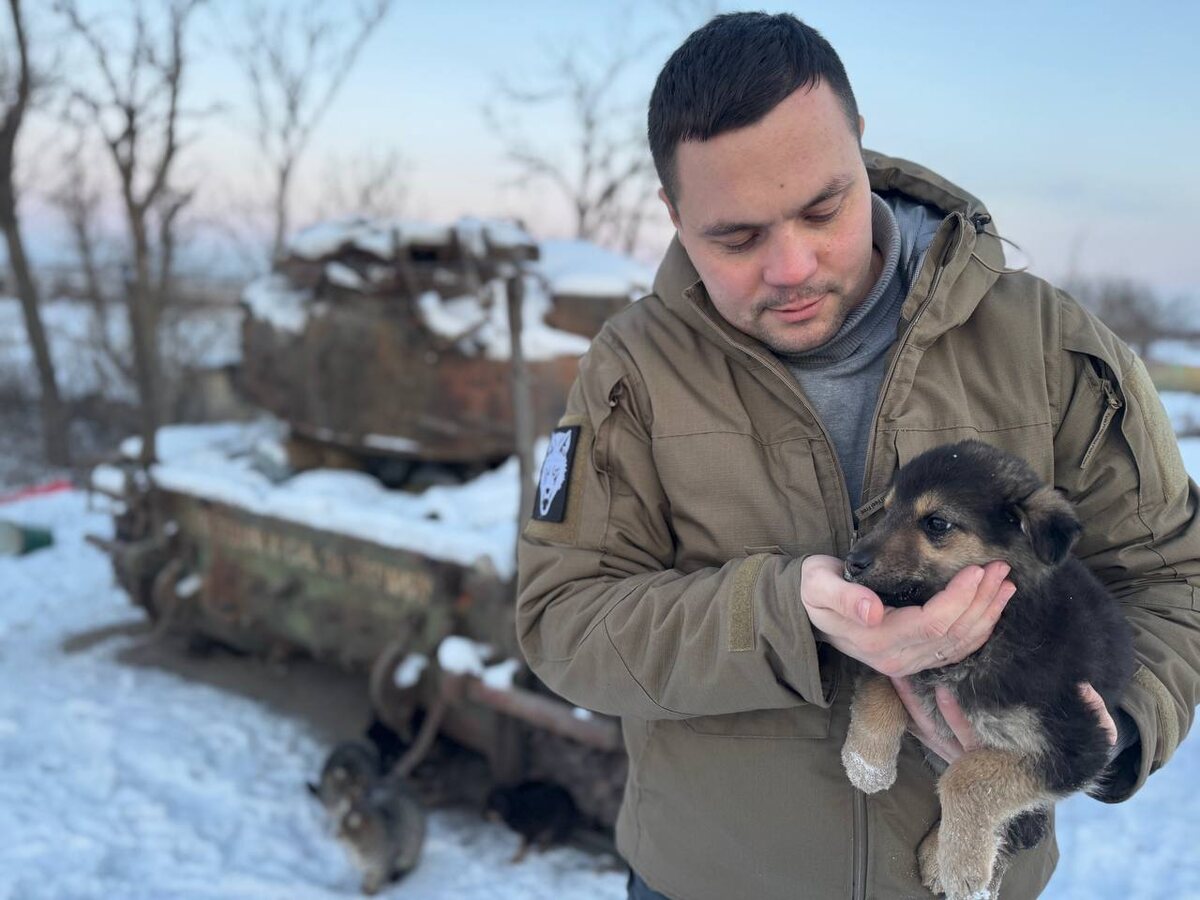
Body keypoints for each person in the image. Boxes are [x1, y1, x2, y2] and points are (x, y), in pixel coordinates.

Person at [517, 12, 1200, 900]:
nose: (792, 266)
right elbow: (564, 623)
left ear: (860, 146)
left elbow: (1173, 574)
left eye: (822, 209)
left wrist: (1114, 731)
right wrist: (783, 615)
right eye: (736, 237)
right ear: (675, 215)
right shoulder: (632, 372)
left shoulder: (1046, 341)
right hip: (707, 881)